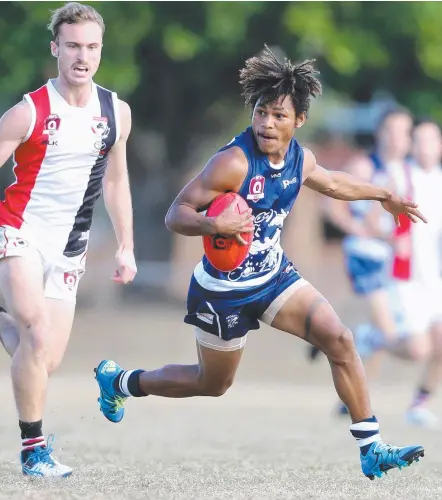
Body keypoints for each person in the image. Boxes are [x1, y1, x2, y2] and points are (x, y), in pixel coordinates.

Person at [95, 45, 426, 480]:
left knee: (340, 339)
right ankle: (121, 382)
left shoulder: (298, 159)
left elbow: (332, 183)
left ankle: (372, 447)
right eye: (261, 112)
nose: (267, 123)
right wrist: (215, 224)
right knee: (211, 384)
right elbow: (175, 214)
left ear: (299, 121)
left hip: (273, 277)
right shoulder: (233, 162)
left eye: (279, 116)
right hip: (223, 292)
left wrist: (384, 195)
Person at [0, 2, 137, 477]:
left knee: (44, 359)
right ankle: (34, 451)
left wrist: (126, 246)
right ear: (56, 48)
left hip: (69, 248)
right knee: (35, 333)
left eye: (92, 46)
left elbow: (117, 183)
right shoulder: (28, 111)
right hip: (18, 233)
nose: (83, 55)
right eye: (74, 45)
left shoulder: (115, 112)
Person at [350, 119, 442, 428]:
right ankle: (374, 338)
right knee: (418, 350)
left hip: (435, 278)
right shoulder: (398, 176)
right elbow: (373, 220)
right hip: (406, 279)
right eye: (420, 140)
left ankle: (419, 404)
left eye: (432, 141)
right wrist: (391, 239)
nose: (426, 147)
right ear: (412, 145)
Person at [308, 108, 413, 375]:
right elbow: (330, 205)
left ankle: (342, 350)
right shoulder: (365, 166)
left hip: (391, 257)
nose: (397, 138)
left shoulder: (407, 170)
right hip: (364, 254)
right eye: (392, 130)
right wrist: (358, 228)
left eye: (404, 132)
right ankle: (339, 339)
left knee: (386, 329)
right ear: (380, 133)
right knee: (389, 332)